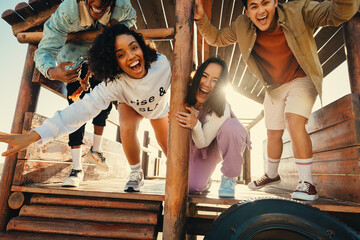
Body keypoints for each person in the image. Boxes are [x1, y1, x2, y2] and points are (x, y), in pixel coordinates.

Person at [194, 0, 360, 201]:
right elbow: (216, 38)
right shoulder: (242, 25)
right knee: (273, 131)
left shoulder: (299, 10)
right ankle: (272, 174)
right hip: (273, 88)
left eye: (266, 3)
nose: (261, 10)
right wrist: (201, 18)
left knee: (293, 120)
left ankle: (307, 183)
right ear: (247, 12)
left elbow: (337, 13)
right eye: (254, 6)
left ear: (275, 3)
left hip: (301, 78)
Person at [0, 24, 171, 192]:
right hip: (130, 103)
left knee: (166, 144)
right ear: (115, 63)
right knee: (126, 126)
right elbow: (79, 110)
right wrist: (33, 135)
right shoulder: (115, 84)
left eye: (134, 47)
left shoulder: (161, 64)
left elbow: (185, 84)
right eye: (121, 54)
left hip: (158, 108)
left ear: (142, 48)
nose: (131, 56)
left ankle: (177, 172)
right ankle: (135, 172)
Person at [33, 0, 137, 187]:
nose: (98, 3)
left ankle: (95, 150)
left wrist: (116, 28)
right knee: (76, 111)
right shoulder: (67, 12)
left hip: (101, 61)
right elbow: (45, 50)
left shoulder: (122, 6)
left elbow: (131, 18)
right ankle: (77, 169)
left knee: (104, 107)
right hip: (74, 64)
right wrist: (51, 71)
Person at [176, 57, 251, 198]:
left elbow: (202, 142)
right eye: (204, 76)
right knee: (190, 187)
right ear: (197, 76)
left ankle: (229, 177)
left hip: (210, 148)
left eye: (215, 81)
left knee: (233, 126)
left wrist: (195, 124)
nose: (208, 84)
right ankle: (206, 180)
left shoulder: (220, 107)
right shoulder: (182, 96)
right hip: (189, 147)